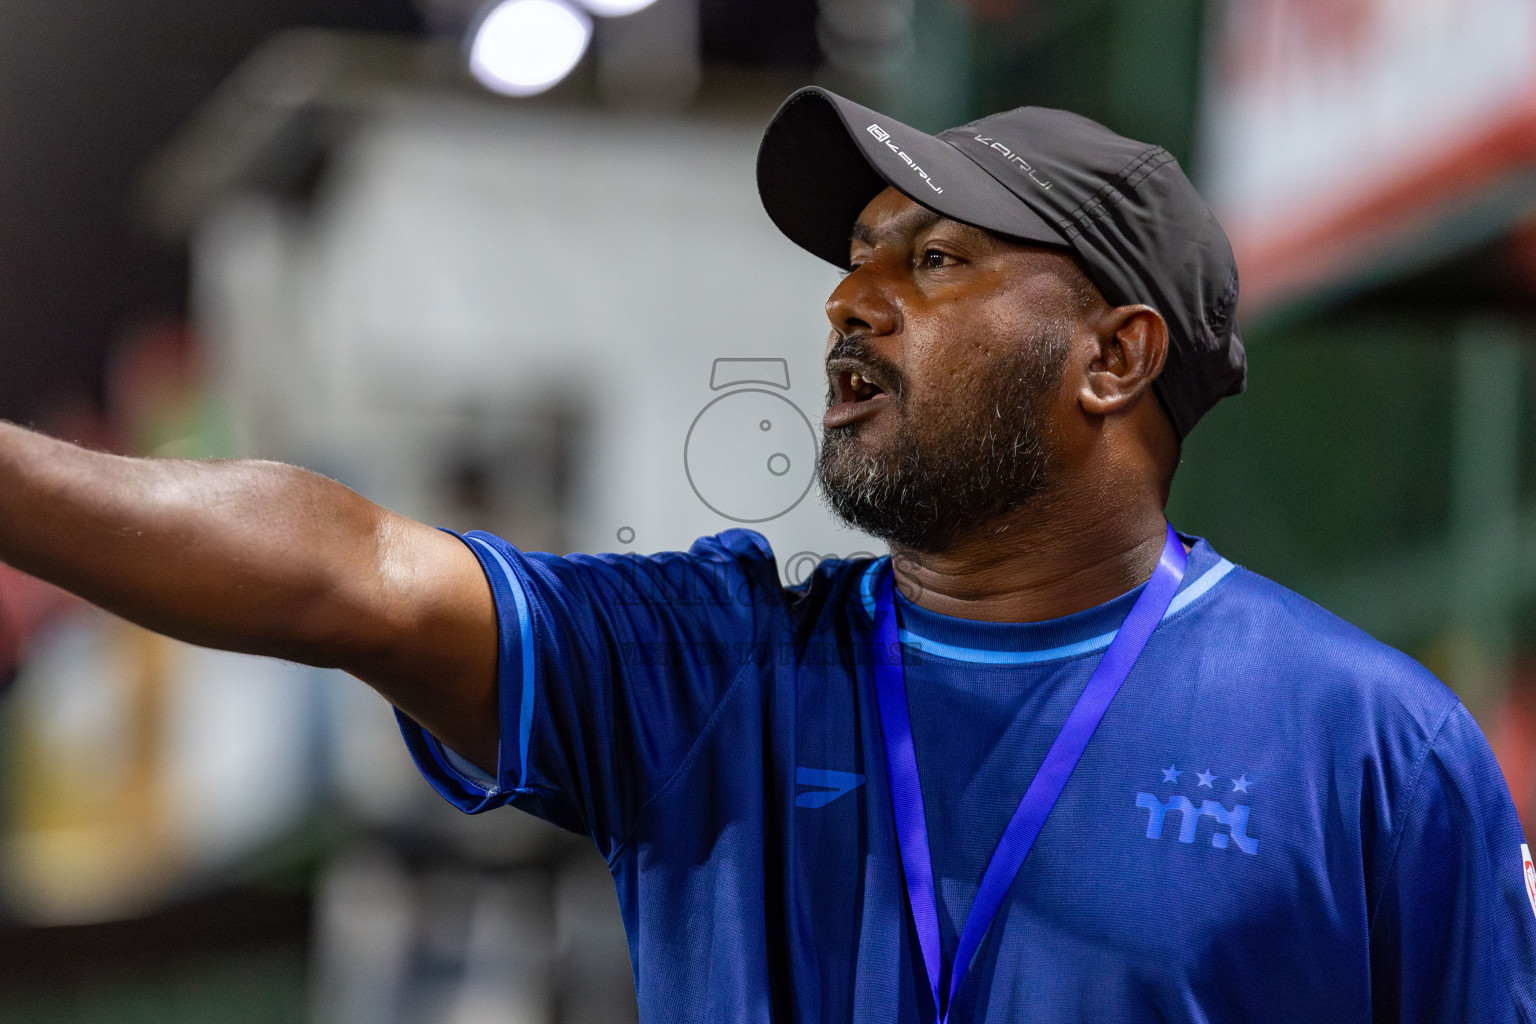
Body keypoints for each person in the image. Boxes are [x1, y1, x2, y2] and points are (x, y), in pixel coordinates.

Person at [0, 86, 1531, 1023]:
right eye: (854, 259)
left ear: (1116, 358)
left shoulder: (1372, 748)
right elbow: (348, 573)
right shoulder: (714, 670)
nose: (850, 303)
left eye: (934, 260)